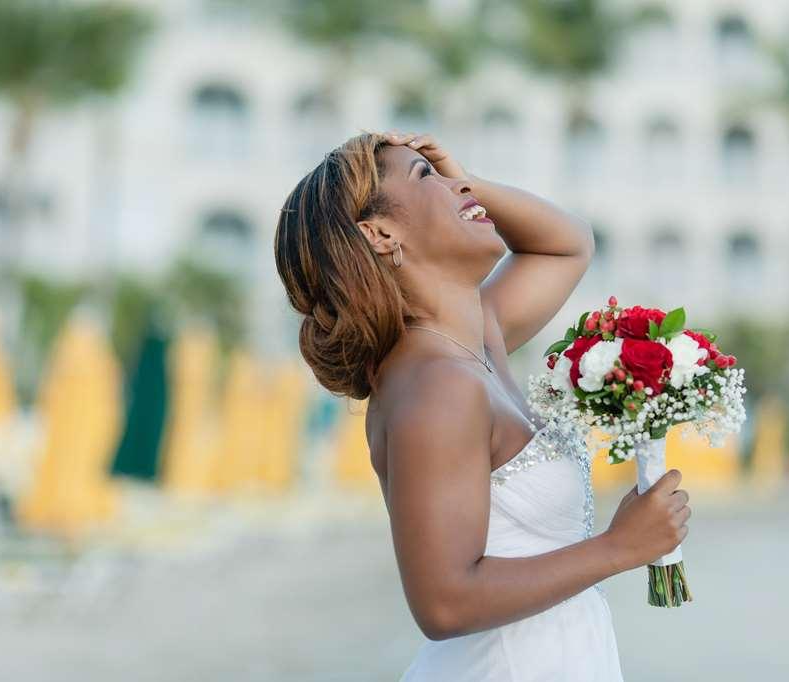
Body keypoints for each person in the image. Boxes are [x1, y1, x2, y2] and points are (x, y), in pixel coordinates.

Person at [274, 130, 691, 681]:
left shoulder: (478, 339)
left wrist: (463, 184)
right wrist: (619, 547)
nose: (457, 186)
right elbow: (444, 604)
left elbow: (570, 244)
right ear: (378, 232)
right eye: (426, 176)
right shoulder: (436, 385)